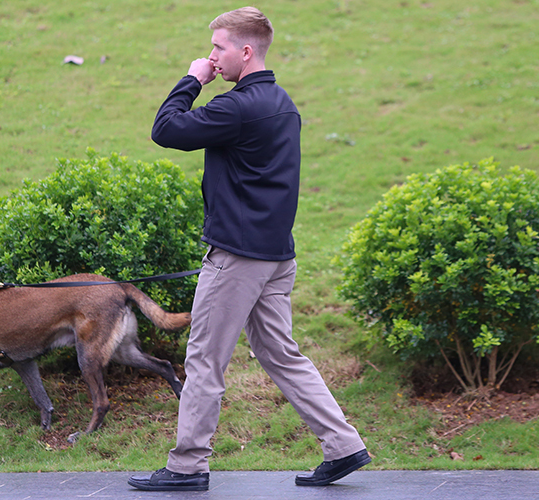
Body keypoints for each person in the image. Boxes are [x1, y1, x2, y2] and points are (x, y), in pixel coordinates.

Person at [127, 6, 370, 492]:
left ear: (244, 51)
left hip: (238, 258)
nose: (210, 57)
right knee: (281, 353)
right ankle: (343, 446)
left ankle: (188, 465)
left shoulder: (237, 107)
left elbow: (166, 130)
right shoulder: (282, 103)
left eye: (217, 48)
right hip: (278, 256)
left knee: (203, 359)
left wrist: (191, 80)